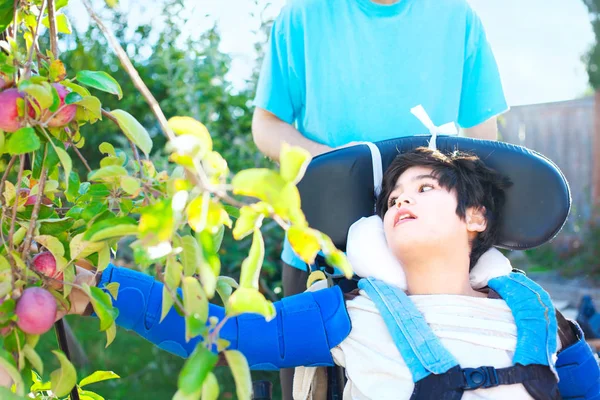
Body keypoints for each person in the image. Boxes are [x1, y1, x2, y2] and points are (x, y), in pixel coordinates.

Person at [17, 147, 595, 400]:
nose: (399, 203)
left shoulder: (536, 311)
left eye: (423, 189)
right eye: (390, 199)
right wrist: (103, 284)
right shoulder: (350, 311)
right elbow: (224, 331)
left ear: (476, 217)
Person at [251, 0, 509, 393]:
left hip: (429, 258)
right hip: (319, 247)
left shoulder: (457, 16)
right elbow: (267, 127)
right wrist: (344, 167)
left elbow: (483, 139)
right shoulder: (301, 15)